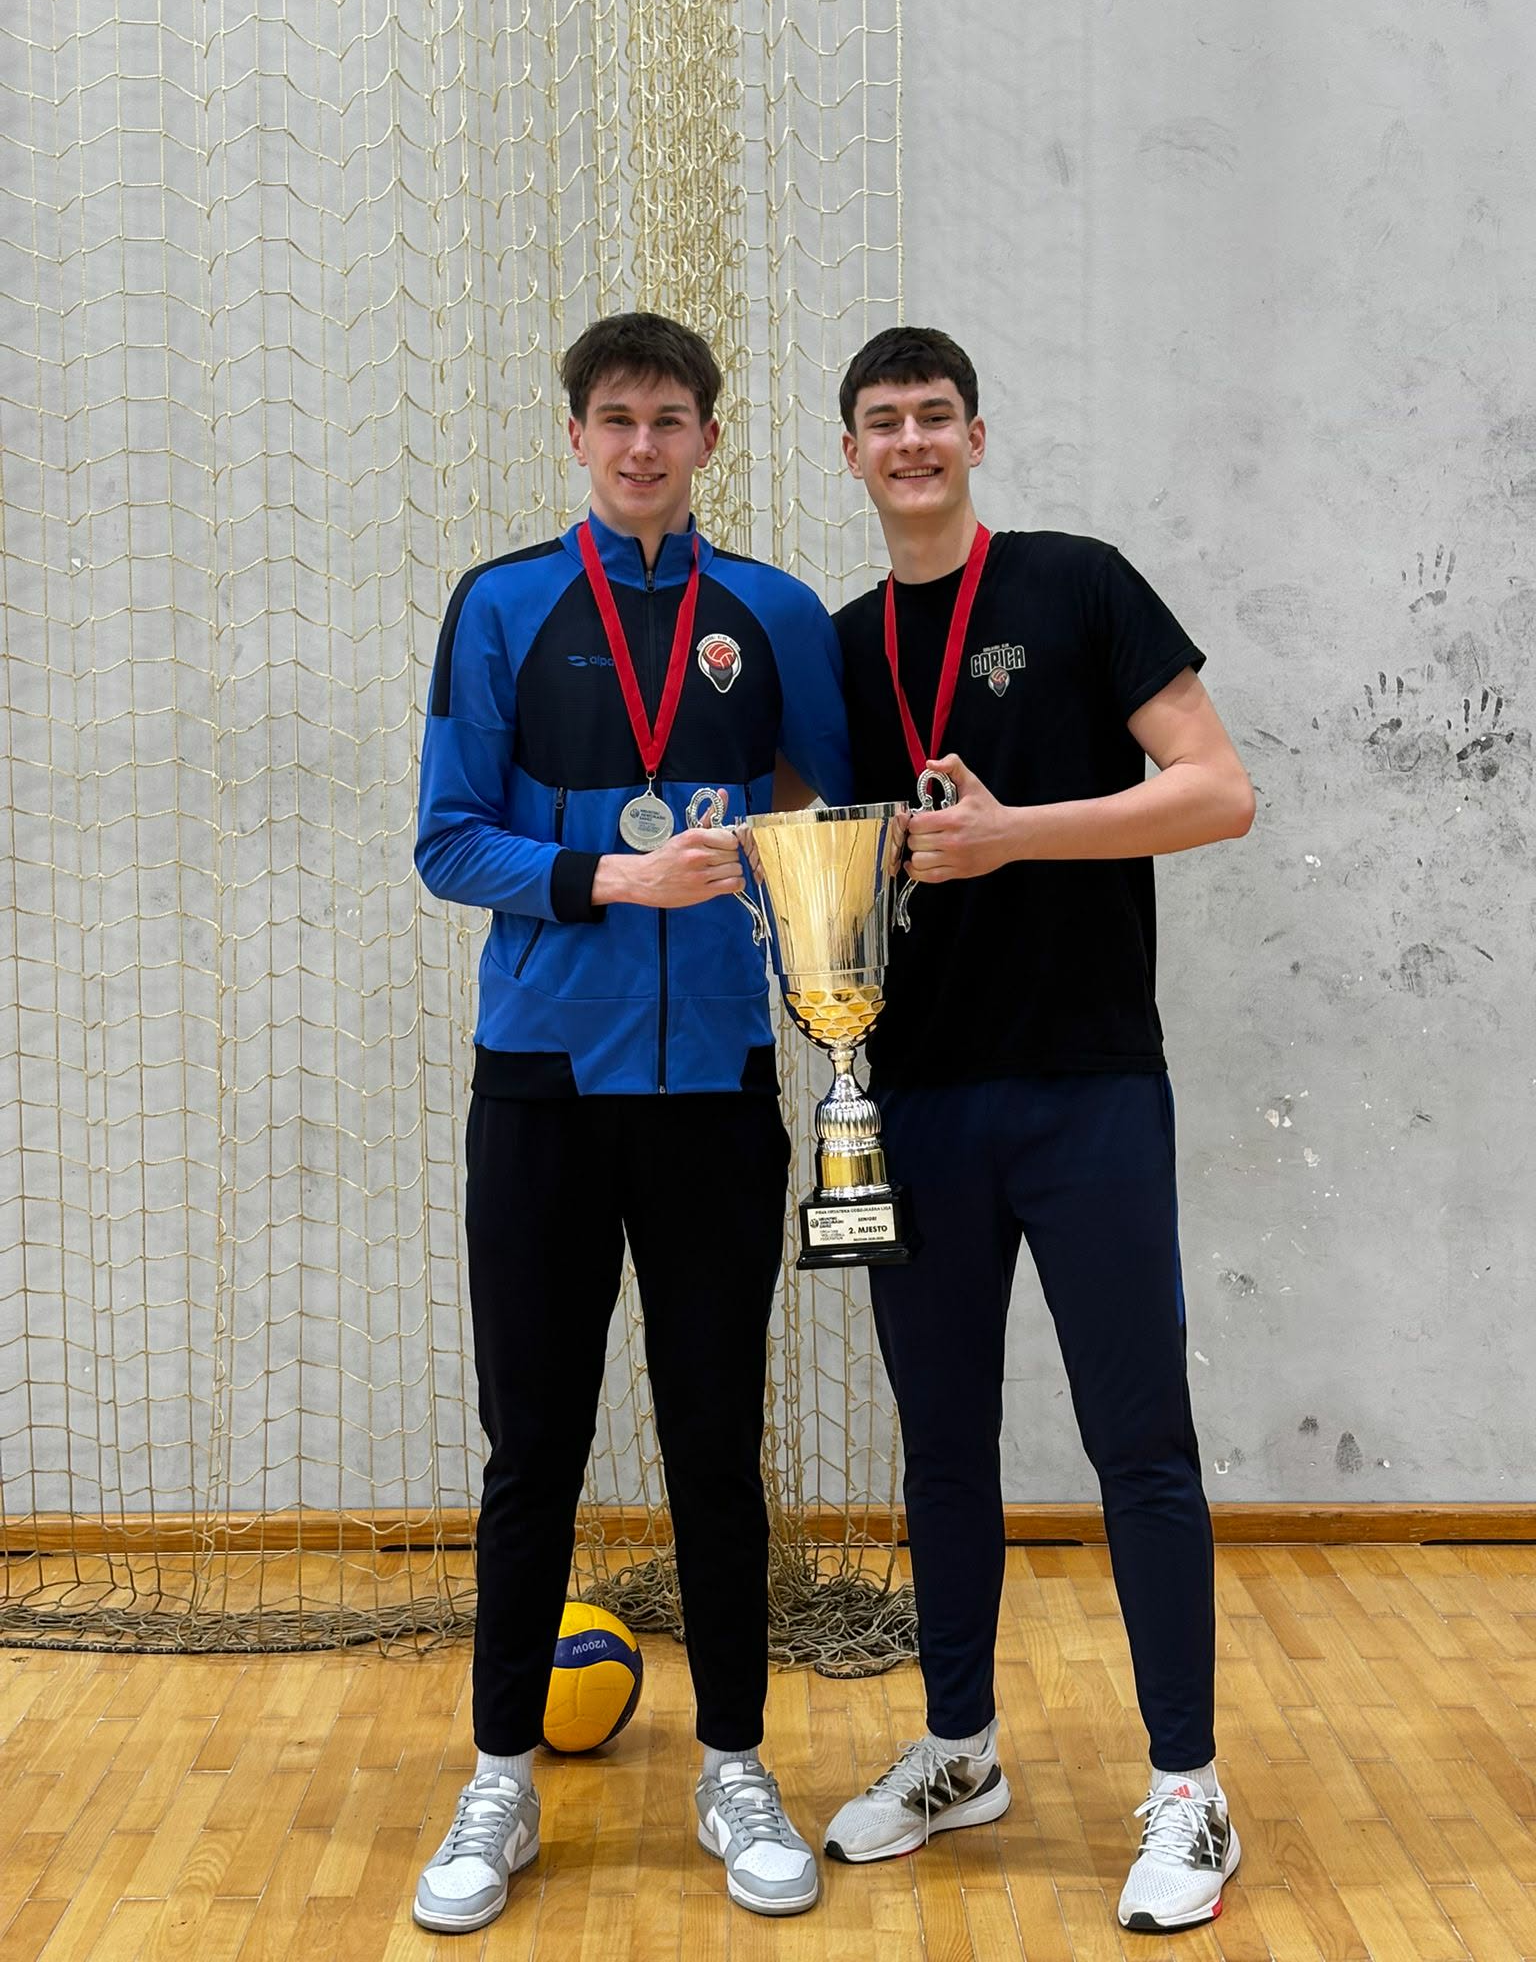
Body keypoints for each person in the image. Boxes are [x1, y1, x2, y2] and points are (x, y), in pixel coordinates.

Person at [412, 311, 850, 1930]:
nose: (644, 445)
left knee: (715, 1445)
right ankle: (499, 1777)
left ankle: (736, 1762)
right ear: (577, 436)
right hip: (541, 1088)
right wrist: (613, 875)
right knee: (532, 1444)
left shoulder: (777, 613)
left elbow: (833, 815)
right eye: (617, 418)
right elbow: (448, 840)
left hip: (718, 1090)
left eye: (672, 420)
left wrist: (816, 940)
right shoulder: (503, 603)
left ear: (710, 442)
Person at [821, 327, 1254, 1935]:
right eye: (883, 421)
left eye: (936, 415)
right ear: (850, 455)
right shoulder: (840, 646)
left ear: (977, 437)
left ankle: (1190, 1790)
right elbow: (829, 850)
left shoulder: (1077, 584)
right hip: (917, 1096)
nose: (912, 441)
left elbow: (1217, 790)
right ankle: (959, 1750)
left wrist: (1015, 839)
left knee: (1140, 1444)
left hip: (1088, 1087)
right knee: (941, 1449)